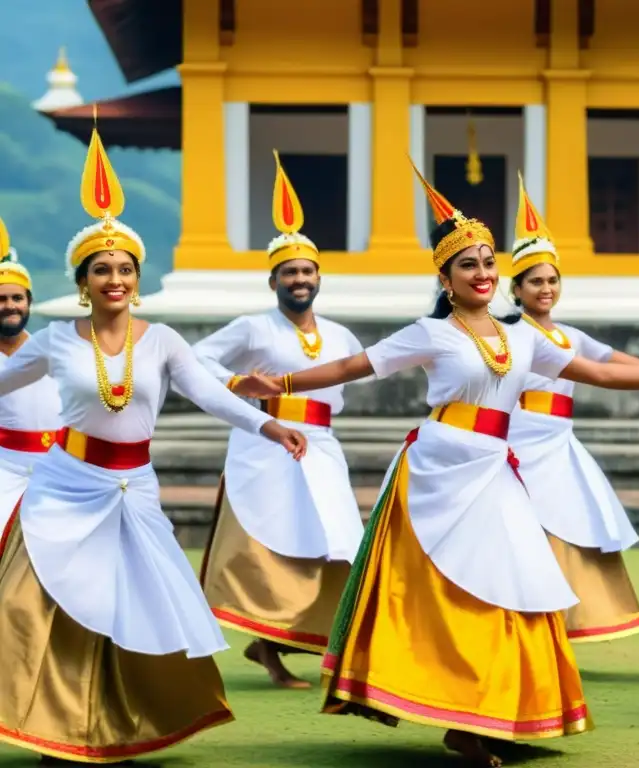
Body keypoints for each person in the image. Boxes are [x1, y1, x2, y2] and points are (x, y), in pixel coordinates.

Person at [244, 163, 639, 767]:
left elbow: (600, 373)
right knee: (446, 593)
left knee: (515, 582)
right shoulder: (430, 334)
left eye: (490, 262)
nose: (483, 273)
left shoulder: (524, 339)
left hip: (496, 468)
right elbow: (349, 368)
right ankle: (459, 716)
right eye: (469, 264)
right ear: (446, 276)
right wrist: (280, 379)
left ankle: (496, 711)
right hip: (438, 470)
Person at [0, 120, 307, 763]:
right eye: (102, 269)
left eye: (126, 268)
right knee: (31, 604)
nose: (115, 278)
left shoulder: (162, 340)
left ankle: (129, 720)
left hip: (132, 488)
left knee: (136, 606)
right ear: (82, 282)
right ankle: (46, 714)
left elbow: (209, 391)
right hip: (63, 484)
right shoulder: (56, 340)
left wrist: (266, 421)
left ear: (137, 279)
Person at [195, 151, 365, 689]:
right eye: (289, 272)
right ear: (273, 282)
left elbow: (350, 384)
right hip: (265, 446)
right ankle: (269, 648)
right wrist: (234, 385)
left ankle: (311, 641)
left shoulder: (339, 335)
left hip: (320, 446)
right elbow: (196, 359)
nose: (299, 279)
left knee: (332, 543)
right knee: (271, 546)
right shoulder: (251, 327)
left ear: (319, 277)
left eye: (307, 270)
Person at [502, 174, 639, 643]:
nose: (545, 289)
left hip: (559, 439)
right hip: (521, 436)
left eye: (551, 280)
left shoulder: (570, 335)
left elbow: (611, 360)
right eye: (535, 282)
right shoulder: (511, 334)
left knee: (571, 520)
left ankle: (566, 619)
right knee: (526, 520)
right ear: (517, 289)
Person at [0, 215, 62, 532]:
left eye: (17, 298)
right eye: (1, 298)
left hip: (56, 471)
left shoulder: (52, 352)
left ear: (29, 303)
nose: (10, 305)